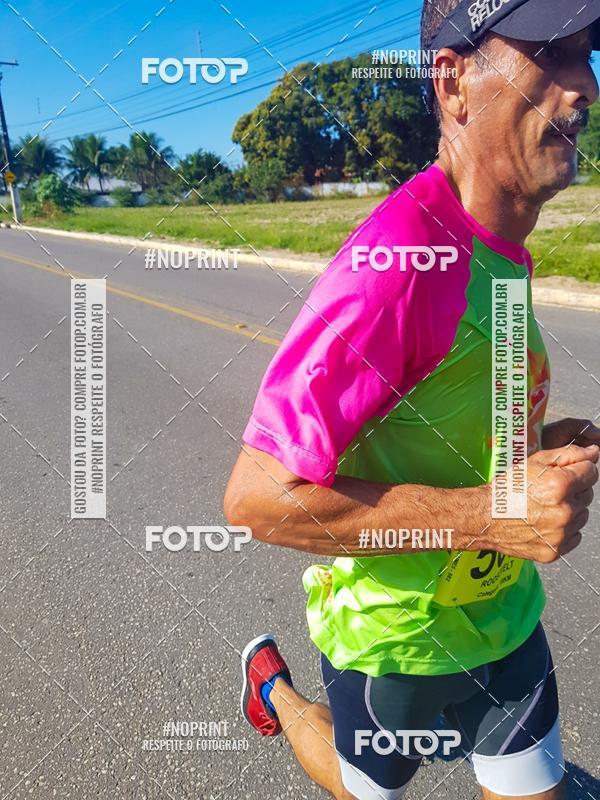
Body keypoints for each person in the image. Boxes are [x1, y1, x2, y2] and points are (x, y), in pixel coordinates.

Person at [224, 1, 600, 797]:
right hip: (390, 644)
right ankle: (276, 692)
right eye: (549, 54)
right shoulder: (401, 264)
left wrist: (539, 449)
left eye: (588, 54)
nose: (585, 87)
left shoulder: (501, 245)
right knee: (363, 787)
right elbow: (259, 498)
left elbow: (454, 411)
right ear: (454, 80)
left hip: (507, 622)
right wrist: (498, 514)